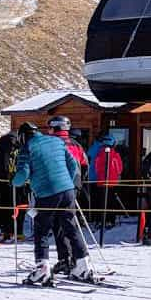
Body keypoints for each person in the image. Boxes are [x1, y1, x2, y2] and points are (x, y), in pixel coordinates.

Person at [14, 119, 92, 283]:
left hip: (47, 193)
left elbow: (22, 175)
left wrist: (13, 182)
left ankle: (42, 269)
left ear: (23, 136)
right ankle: (82, 265)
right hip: (68, 191)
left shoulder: (27, 148)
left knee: (41, 230)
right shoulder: (56, 141)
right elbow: (73, 165)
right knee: (71, 227)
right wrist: (67, 183)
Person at [0, 130, 18, 238]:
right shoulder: (10, 145)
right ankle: (6, 223)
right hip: (5, 177)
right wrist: (9, 174)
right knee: (8, 201)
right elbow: (7, 161)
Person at [93, 137, 125, 227]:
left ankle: (100, 220)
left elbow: (96, 167)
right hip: (112, 183)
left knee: (101, 202)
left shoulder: (99, 154)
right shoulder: (115, 155)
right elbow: (119, 169)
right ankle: (110, 220)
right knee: (111, 202)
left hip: (101, 182)